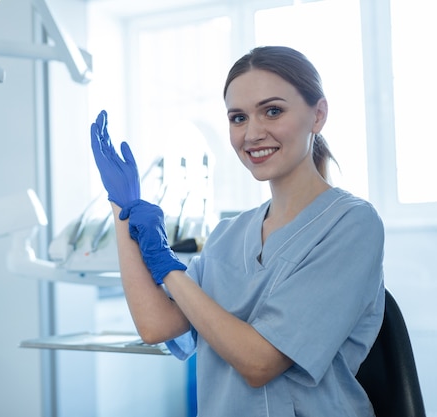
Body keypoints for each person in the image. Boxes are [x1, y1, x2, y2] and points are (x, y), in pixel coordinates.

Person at [90, 45, 385, 417]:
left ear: (318, 115)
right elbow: (155, 325)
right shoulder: (229, 235)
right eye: (238, 118)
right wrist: (122, 208)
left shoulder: (352, 225)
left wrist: (166, 266)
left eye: (273, 111)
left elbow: (259, 363)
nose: (253, 133)